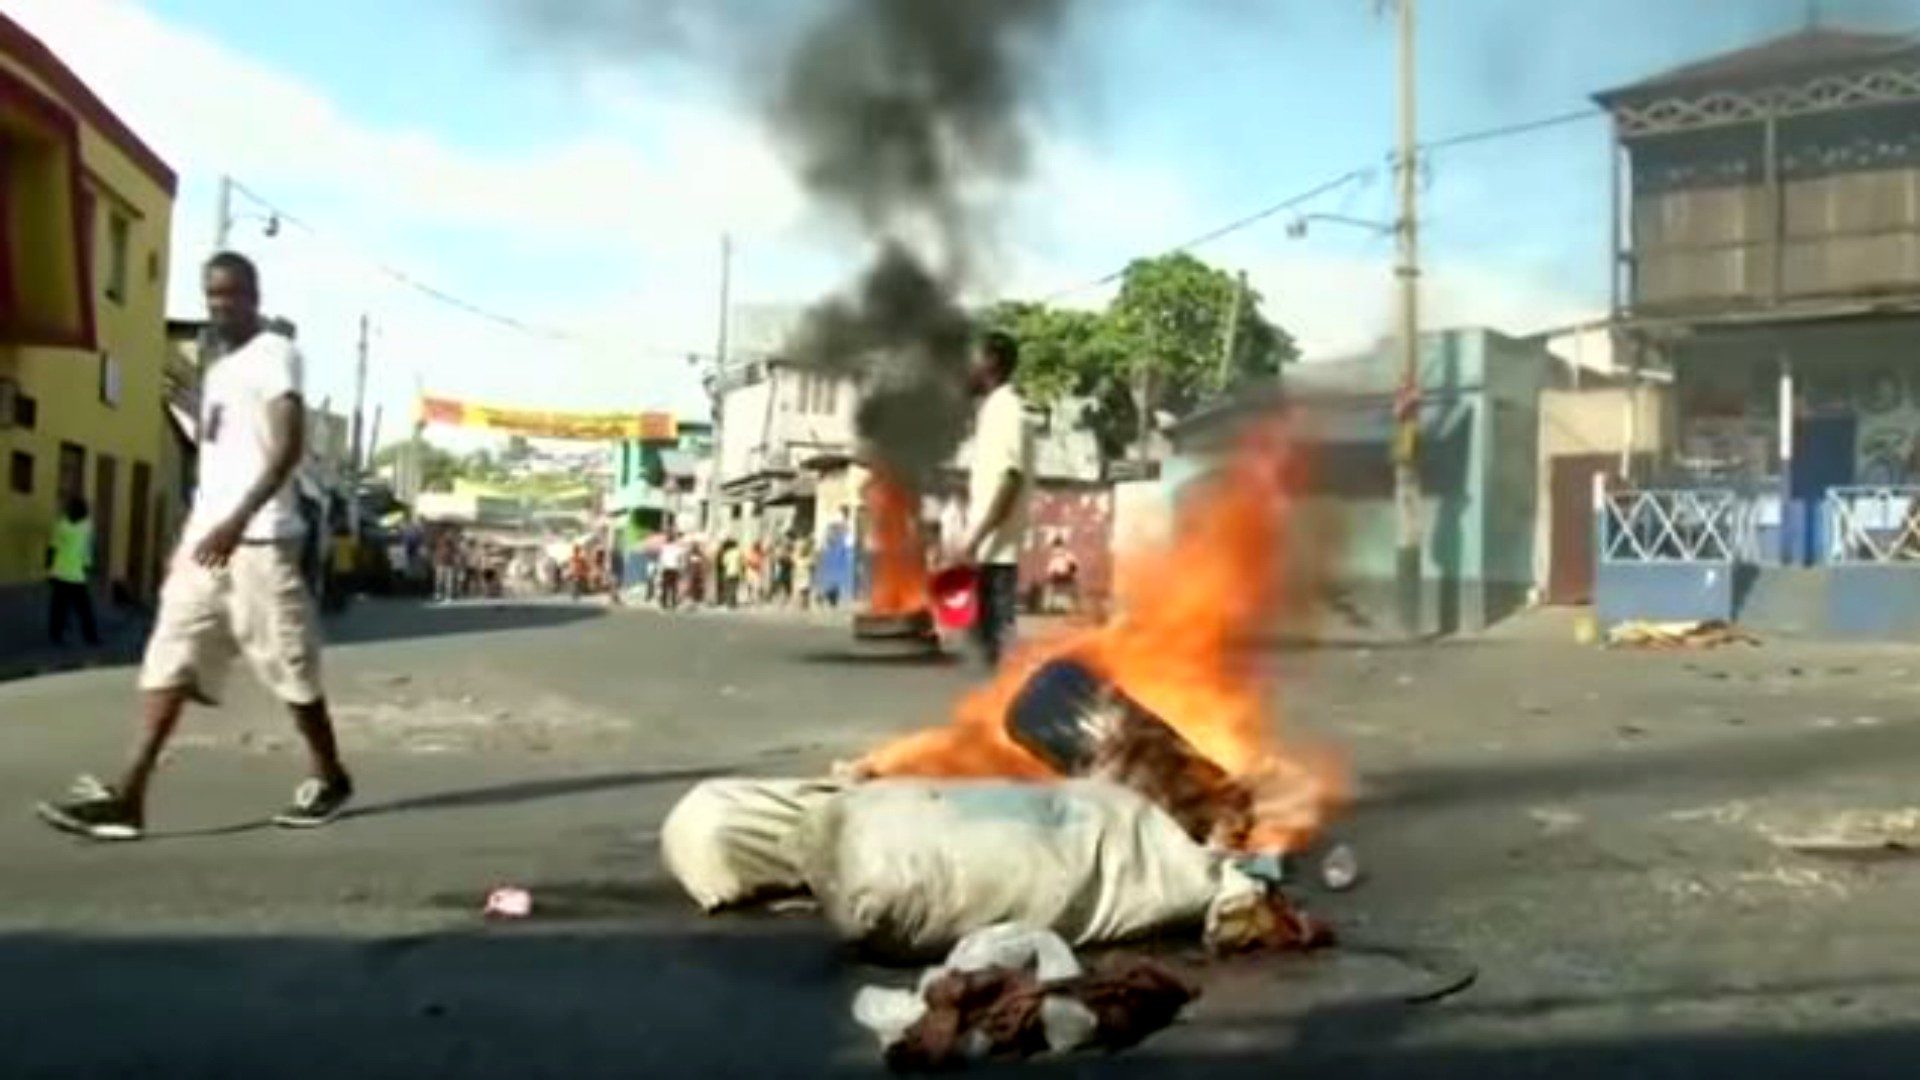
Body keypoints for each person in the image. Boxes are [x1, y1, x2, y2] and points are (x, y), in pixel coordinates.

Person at [36, 251, 353, 840]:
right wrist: (189, 537)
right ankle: (128, 798)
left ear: (254, 296)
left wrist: (236, 521)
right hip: (206, 545)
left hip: (261, 541)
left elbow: (287, 449)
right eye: (212, 296)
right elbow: (214, 467)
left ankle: (330, 775)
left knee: (289, 666)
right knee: (170, 656)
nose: (220, 307)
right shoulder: (216, 371)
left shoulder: (275, 356)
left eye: (231, 295)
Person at [952, 330, 1034, 668]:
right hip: (986, 553)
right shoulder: (992, 411)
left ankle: (1007, 712)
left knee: (1000, 652)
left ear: (990, 363)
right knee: (986, 649)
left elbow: (1011, 479)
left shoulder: (1007, 411)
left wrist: (977, 539)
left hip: (995, 555)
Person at [46, 495, 101, 647]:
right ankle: (91, 636)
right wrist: (89, 566)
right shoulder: (87, 526)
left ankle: (55, 634)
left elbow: (52, 547)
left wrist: (49, 568)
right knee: (83, 609)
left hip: (60, 571)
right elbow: (87, 549)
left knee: (58, 607)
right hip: (77, 573)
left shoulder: (62, 524)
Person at [1045, 535, 1080, 614]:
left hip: (1067, 577)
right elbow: (1050, 571)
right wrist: (1054, 574)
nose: (1057, 549)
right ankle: (1049, 607)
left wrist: (1069, 572)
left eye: (1058, 546)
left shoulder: (1068, 555)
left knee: (1073, 590)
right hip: (1057, 579)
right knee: (1049, 588)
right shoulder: (1053, 558)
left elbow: (1074, 567)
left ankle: (1076, 606)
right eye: (1055, 547)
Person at [657, 530, 685, 611]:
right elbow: (680, 559)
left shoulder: (664, 548)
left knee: (665, 586)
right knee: (673, 587)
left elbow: (661, 559)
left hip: (666, 568)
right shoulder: (677, 548)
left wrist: (660, 569)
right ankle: (673, 603)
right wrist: (681, 568)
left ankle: (664, 603)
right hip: (674, 568)